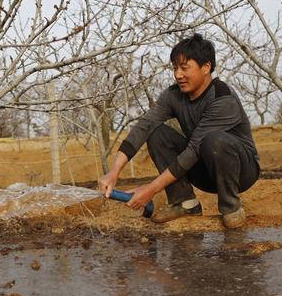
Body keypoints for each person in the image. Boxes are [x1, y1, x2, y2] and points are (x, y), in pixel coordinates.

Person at [98, 33, 260, 229]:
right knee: (156, 132)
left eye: (185, 68)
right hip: (204, 170)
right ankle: (185, 203)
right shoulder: (173, 95)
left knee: (213, 140)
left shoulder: (223, 98)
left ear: (206, 67)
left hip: (241, 170)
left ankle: (231, 207)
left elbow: (193, 150)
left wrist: (151, 190)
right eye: (175, 68)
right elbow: (144, 125)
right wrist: (114, 171)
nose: (178, 75)